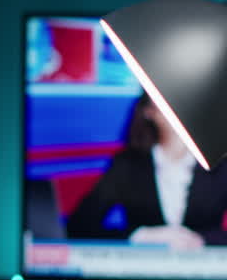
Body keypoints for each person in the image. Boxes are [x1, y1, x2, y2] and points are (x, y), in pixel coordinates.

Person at [66, 92, 227, 246]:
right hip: (140, 269)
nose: (178, 105)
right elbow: (79, 225)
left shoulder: (220, 165)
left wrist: (202, 239)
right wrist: (140, 236)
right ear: (148, 110)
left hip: (204, 270)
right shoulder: (127, 165)